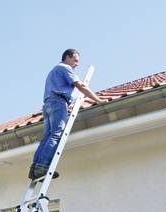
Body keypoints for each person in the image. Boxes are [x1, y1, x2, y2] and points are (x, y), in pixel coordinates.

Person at [29, 49, 107, 181]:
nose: (77, 64)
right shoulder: (65, 68)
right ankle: (42, 166)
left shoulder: (54, 71)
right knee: (56, 135)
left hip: (48, 104)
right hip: (58, 102)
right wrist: (98, 100)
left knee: (47, 136)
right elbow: (80, 86)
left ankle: (35, 168)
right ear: (67, 57)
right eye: (75, 60)